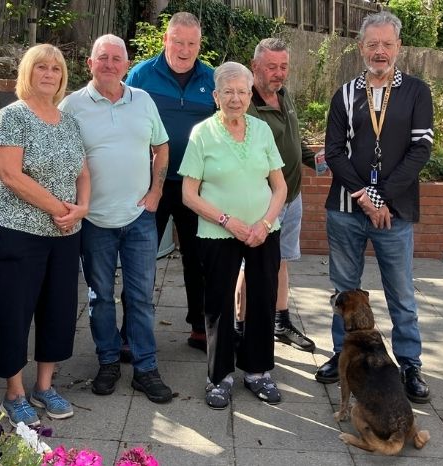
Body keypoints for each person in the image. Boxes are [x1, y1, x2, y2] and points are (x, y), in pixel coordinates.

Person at [314, 11, 433, 404]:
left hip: (394, 214)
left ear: (398, 47)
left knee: (400, 292)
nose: (379, 51)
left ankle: (410, 364)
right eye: (372, 44)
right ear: (361, 47)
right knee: (344, 290)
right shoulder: (345, 94)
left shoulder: (417, 92)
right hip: (347, 210)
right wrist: (365, 197)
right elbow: (332, 151)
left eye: (386, 44)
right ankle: (342, 355)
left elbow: (421, 149)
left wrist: (382, 197)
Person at [59, 34, 173, 404]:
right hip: (94, 220)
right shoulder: (72, 106)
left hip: (139, 218)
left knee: (140, 297)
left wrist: (156, 191)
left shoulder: (143, 100)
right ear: (90, 63)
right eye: (102, 58)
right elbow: (60, 158)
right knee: (100, 298)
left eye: (116, 59)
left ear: (126, 64)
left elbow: (161, 148)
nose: (109, 64)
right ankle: (108, 361)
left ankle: (145, 368)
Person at [0, 43, 90, 426]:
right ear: (27, 73)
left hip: (64, 234)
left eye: (56, 69)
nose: (49, 74)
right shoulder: (12, 116)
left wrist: (82, 207)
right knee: (14, 311)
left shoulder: (68, 120)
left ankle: (45, 386)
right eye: (41, 67)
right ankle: (15, 393)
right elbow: (10, 175)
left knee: (59, 310)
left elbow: (82, 170)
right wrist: (61, 209)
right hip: (15, 233)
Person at [179, 61, 287, 410]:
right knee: (220, 304)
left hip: (263, 232)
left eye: (242, 91)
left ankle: (257, 372)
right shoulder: (202, 134)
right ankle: (219, 376)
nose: (236, 98)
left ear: (249, 95)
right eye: (228, 92)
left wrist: (265, 223)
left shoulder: (262, 130)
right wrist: (228, 221)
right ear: (216, 96)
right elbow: (189, 195)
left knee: (263, 298)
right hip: (217, 232)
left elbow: (280, 186)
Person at [125, 11, 216, 352]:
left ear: (199, 44)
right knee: (140, 258)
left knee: (199, 258)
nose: (184, 49)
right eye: (178, 41)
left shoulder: (211, 78)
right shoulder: (141, 75)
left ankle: (200, 328)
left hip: (196, 185)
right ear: (165, 40)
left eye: (191, 43)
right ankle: (131, 333)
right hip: (150, 184)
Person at [237, 37, 317, 352]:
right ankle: (240, 326)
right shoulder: (247, 104)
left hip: (292, 196)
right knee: (250, 265)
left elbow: (294, 140)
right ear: (255, 66)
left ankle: (280, 322)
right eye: (271, 66)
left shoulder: (284, 95)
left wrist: (317, 161)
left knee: (282, 260)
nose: (278, 73)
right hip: (262, 200)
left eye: (283, 66)